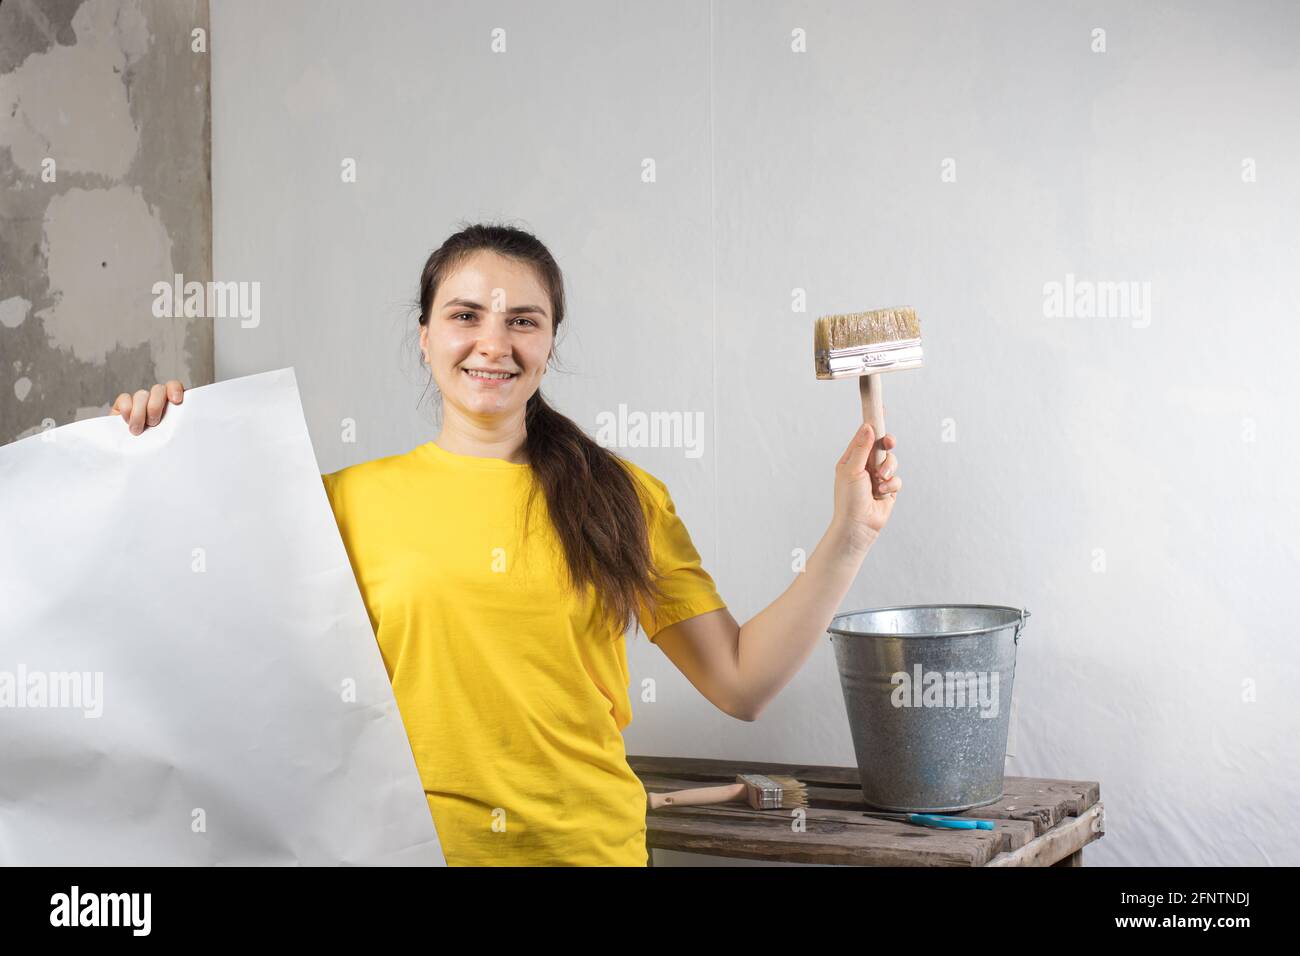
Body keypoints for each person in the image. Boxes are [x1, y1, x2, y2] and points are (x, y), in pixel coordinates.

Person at [111, 222, 902, 866]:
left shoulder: (621, 498)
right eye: (465, 315)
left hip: (589, 852)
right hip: (408, 854)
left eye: (523, 320)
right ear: (424, 337)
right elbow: (202, 630)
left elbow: (741, 683)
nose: (494, 342)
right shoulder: (341, 503)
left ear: (549, 344)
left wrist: (849, 533)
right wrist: (153, 460)